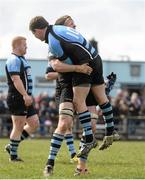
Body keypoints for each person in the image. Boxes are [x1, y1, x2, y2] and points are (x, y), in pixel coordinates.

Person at [29, 16, 117, 174]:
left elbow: (89, 67)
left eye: (74, 25)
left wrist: (101, 83)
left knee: (91, 124)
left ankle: (81, 167)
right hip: (66, 85)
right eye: (71, 25)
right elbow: (52, 70)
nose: (74, 27)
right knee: (64, 123)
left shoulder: (72, 42)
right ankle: (50, 163)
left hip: (82, 79)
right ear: (62, 27)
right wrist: (77, 68)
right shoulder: (54, 45)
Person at [5, 36, 39, 161]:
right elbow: (16, 79)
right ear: (17, 46)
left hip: (26, 98)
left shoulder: (21, 59)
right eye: (24, 45)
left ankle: (12, 146)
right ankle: (13, 156)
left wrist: (27, 96)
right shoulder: (13, 60)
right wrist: (25, 95)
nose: (26, 47)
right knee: (18, 126)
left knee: (34, 123)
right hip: (17, 97)